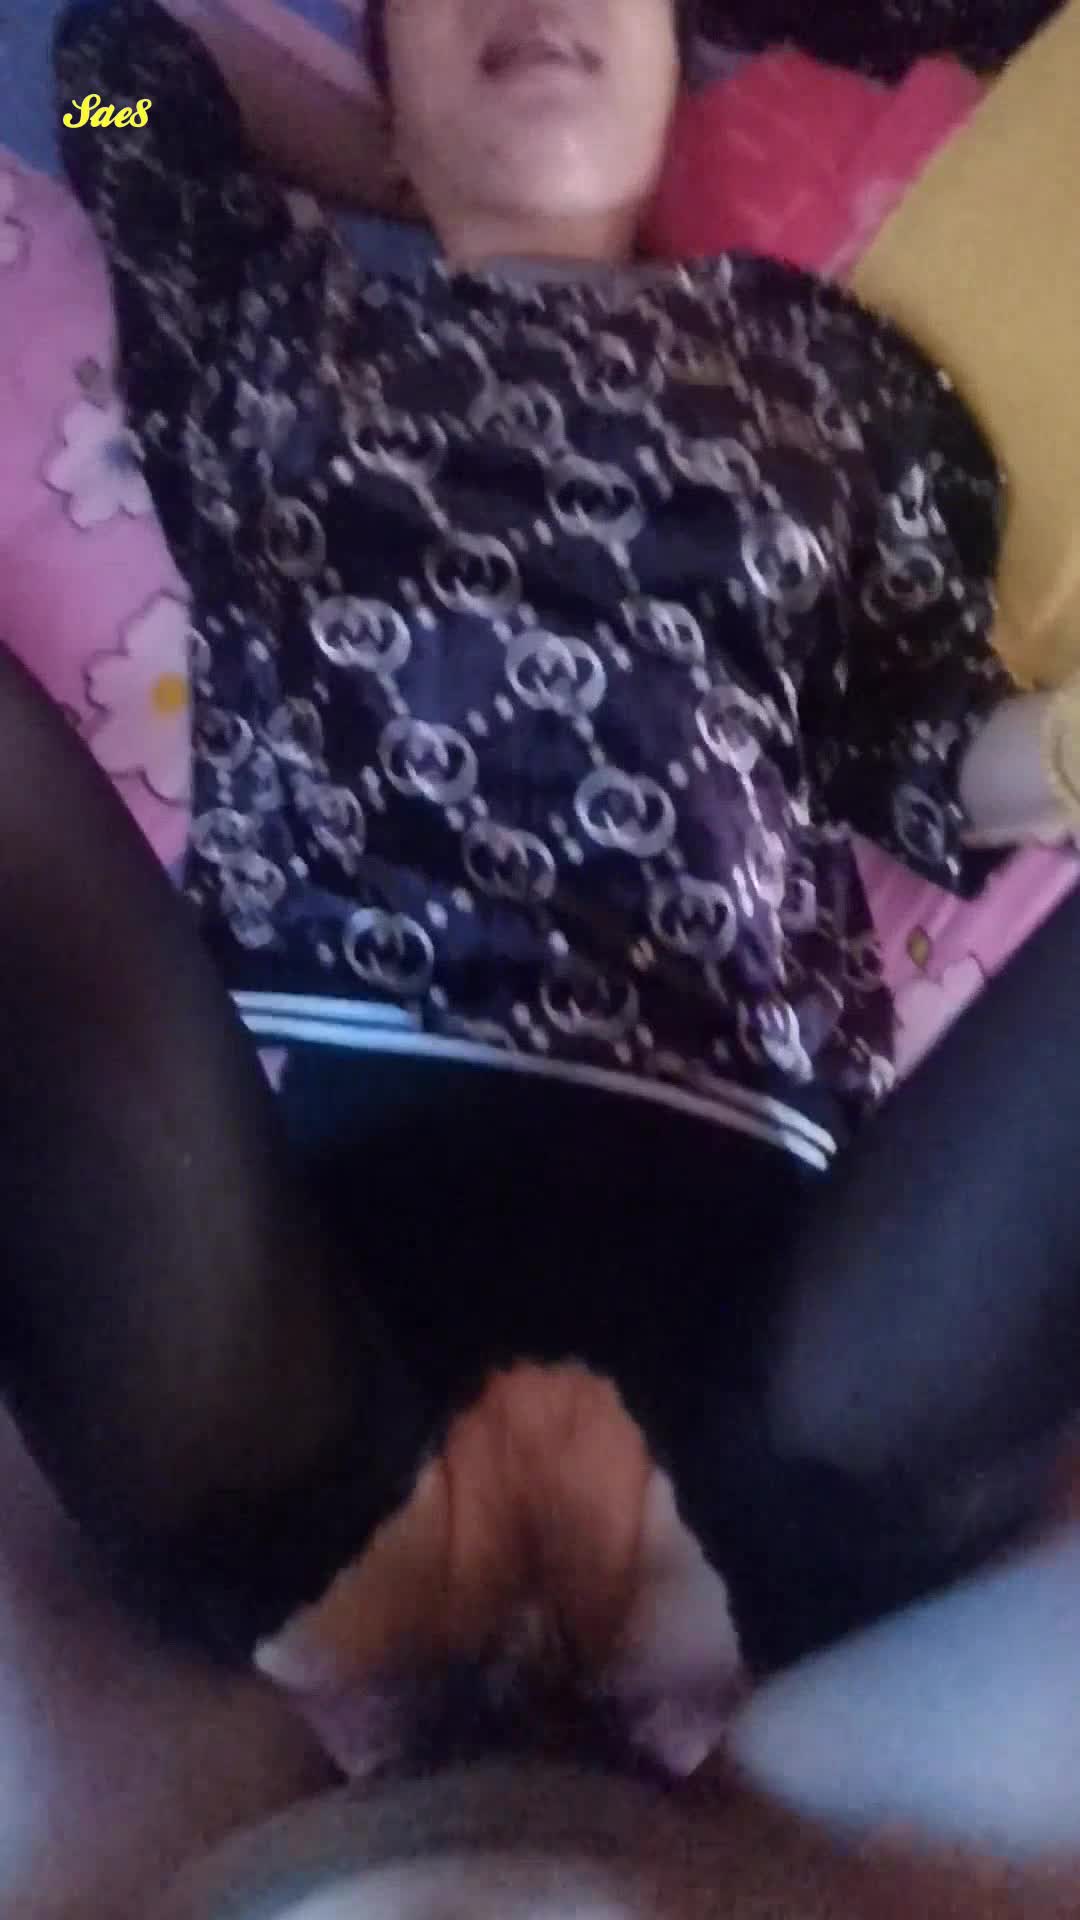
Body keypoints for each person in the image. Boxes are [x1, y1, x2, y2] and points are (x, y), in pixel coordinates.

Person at [13, 0, 1080, 1786]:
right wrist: (407, 169)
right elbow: (107, 66)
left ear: (676, 68)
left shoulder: (831, 376)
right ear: (383, 102)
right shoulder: (259, 310)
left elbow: (910, 754)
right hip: (300, 1342)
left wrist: (1057, 757)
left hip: (782, 1373)